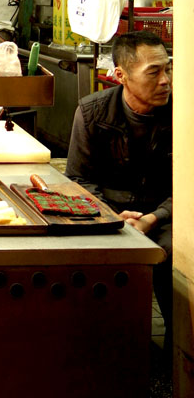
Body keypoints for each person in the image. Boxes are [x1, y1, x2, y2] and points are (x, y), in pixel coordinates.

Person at [67, 30, 172, 348]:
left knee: (176, 265)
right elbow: (78, 180)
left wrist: (153, 218)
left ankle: (176, 363)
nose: (165, 80)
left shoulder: (184, 115)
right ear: (120, 75)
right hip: (107, 215)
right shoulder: (91, 112)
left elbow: (189, 185)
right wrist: (113, 218)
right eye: (154, 72)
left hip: (166, 215)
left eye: (168, 69)